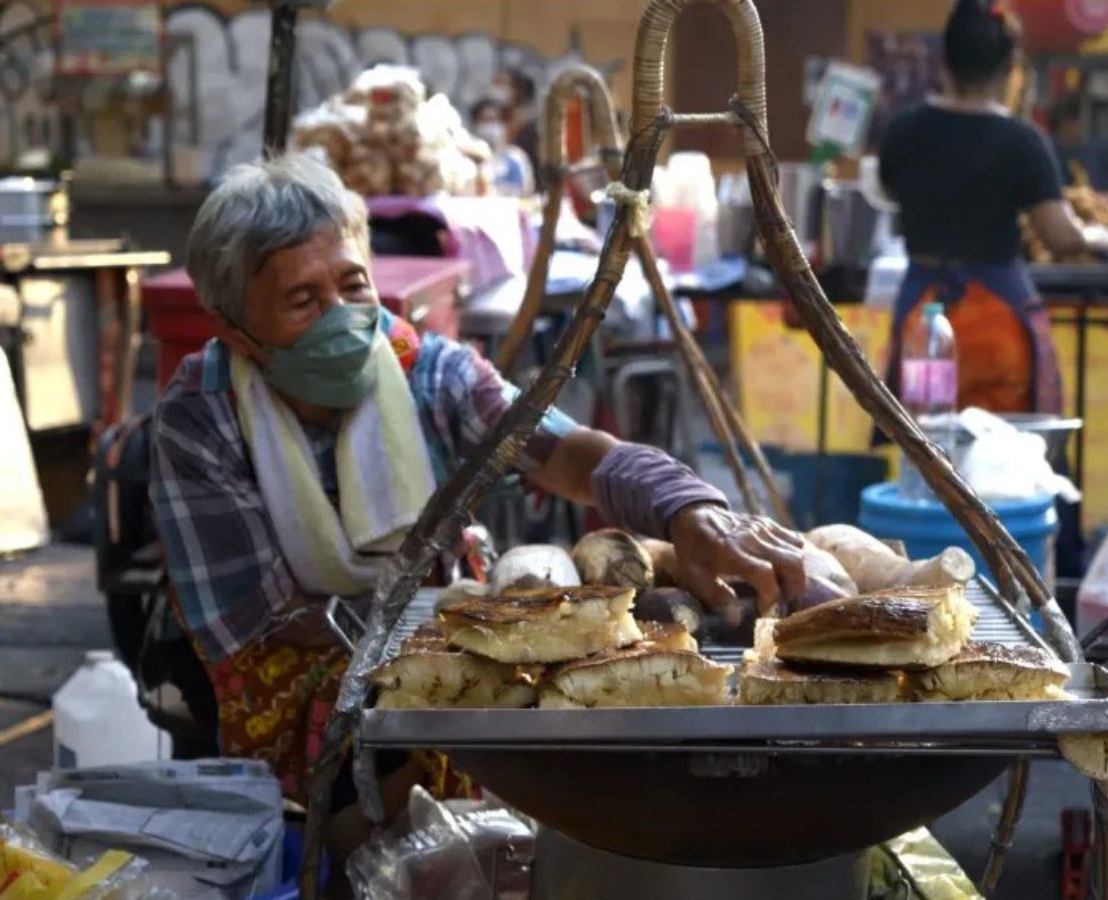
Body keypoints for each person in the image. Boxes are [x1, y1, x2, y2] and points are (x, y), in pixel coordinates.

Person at [150, 152, 830, 847]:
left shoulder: (429, 373)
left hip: (431, 624)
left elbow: (566, 452)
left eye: (354, 285)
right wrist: (458, 642)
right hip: (287, 662)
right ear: (237, 332)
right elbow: (265, 622)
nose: (343, 319)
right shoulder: (203, 416)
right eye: (303, 302)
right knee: (444, 731)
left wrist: (687, 510)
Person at [878, 0, 1108, 414]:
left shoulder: (903, 129)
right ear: (1010, 68)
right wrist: (1100, 236)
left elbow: (888, 192)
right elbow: (1059, 237)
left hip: (925, 319)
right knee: (1003, 459)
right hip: (997, 322)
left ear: (945, 63)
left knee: (924, 447)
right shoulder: (1021, 141)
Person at [470, 97, 535, 196]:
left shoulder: (516, 157)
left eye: (494, 120)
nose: (490, 126)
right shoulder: (467, 158)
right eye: (485, 120)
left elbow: (527, 192)